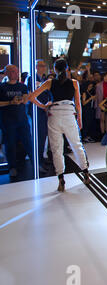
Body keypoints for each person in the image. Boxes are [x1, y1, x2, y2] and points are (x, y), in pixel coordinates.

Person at [28, 59, 90, 191]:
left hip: (54, 115)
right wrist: (79, 119)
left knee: (56, 149)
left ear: (54, 69)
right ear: (67, 69)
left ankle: (61, 179)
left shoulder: (49, 82)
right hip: (69, 114)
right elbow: (78, 104)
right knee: (76, 145)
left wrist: (44, 106)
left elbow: (31, 97)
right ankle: (86, 173)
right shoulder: (74, 83)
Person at [0, 64, 34, 178]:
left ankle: (36, 163)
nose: (15, 73)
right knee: (10, 144)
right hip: (8, 121)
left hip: (22, 120)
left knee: (28, 142)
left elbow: (25, 99)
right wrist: (11, 102)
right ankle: (12, 167)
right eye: (12, 71)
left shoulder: (22, 87)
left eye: (16, 71)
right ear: (7, 73)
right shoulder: (2, 87)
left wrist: (23, 99)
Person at [27, 59, 51, 174]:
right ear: (36, 67)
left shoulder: (45, 79)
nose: (43, 68)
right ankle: (37, 162)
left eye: (44, 66)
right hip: (36, 110)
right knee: (38, 137)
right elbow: (31, 95)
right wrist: (42, 106)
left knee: (43, 136)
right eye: (41, 66)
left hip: (43, 110)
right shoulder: (31, 79)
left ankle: (41, 159)